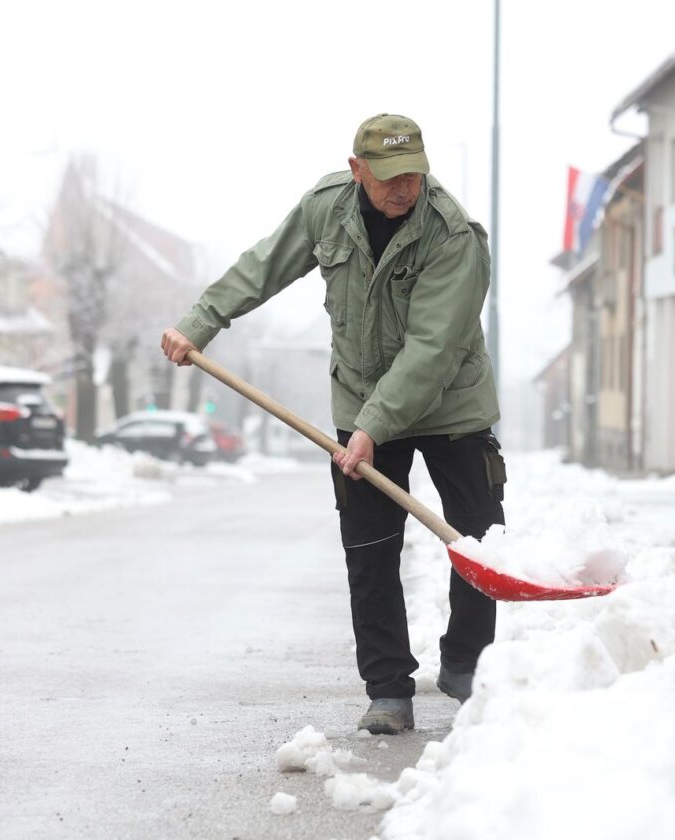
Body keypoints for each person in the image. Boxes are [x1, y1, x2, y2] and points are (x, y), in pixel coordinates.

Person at [160, 113, 506, 735]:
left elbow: (432, 351)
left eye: (414, 177)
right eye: (390, 178)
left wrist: (375, 425)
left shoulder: (453, 235)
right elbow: (264, 266)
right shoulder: (328, 208)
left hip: (451, 403)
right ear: (357, 171)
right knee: (369, 548)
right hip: (361, 398)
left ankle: (465, 661)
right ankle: (388, 688)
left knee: (476, 539)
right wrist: (200, 322)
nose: (404, 190)